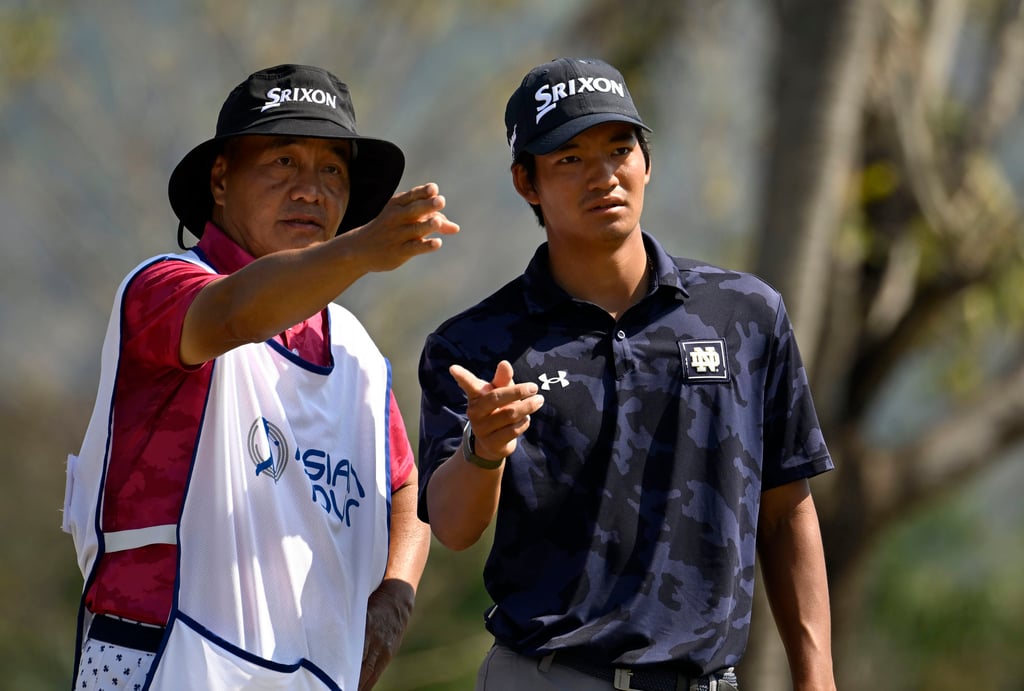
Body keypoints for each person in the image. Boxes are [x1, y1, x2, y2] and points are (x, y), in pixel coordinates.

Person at [417, 57, 837, 691]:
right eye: (569, 160)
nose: (604, 176)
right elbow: (452, 528)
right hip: (548, 676)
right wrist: (484, 449)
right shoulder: (474, 343)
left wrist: (817, 678)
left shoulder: (745, 315)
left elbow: (786, 510)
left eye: (619, 149)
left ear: (647, 162)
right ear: (525, 182)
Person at [63, 63, 457, 690]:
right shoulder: (164, 286)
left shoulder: (355, 349)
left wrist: (397, 595)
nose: (312, 190)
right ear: (221, 181)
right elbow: (237, 313)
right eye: (283, 163)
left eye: (332, 169)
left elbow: (404, 487)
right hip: (164, 656)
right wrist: (357, 251)